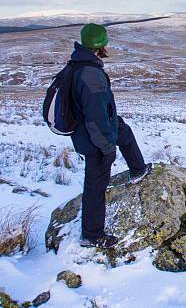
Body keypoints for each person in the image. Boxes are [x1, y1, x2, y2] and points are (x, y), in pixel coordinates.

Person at [69, 23, 152, 249]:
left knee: (123, 131)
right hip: (93, 136)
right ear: (101, 45)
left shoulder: (80, 63)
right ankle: (92, 235)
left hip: (96, 127)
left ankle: (138, 169)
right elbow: (95, 117)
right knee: (96, 184)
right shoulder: (91, 74)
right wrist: (106, 147)